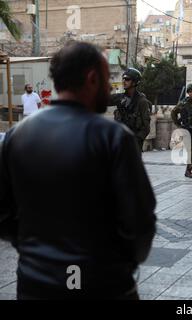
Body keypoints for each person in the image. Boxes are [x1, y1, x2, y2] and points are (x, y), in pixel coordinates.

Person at [0, 41, 157, 300]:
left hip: (36, 283)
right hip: (104, 285)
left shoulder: (16, 136)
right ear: (92, 78)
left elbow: (3, 214)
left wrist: (32, 249)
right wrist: (120, 263)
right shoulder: (114, 138)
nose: (110, 89)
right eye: (108, 80)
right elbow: (140, 223)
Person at [112, 68, 151, 151]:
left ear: (135, 82)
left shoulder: (142, 101)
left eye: (127, 79)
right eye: (123, 79)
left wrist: (136, 140)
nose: (124, 81)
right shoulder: (120, 98)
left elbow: (146, 128)